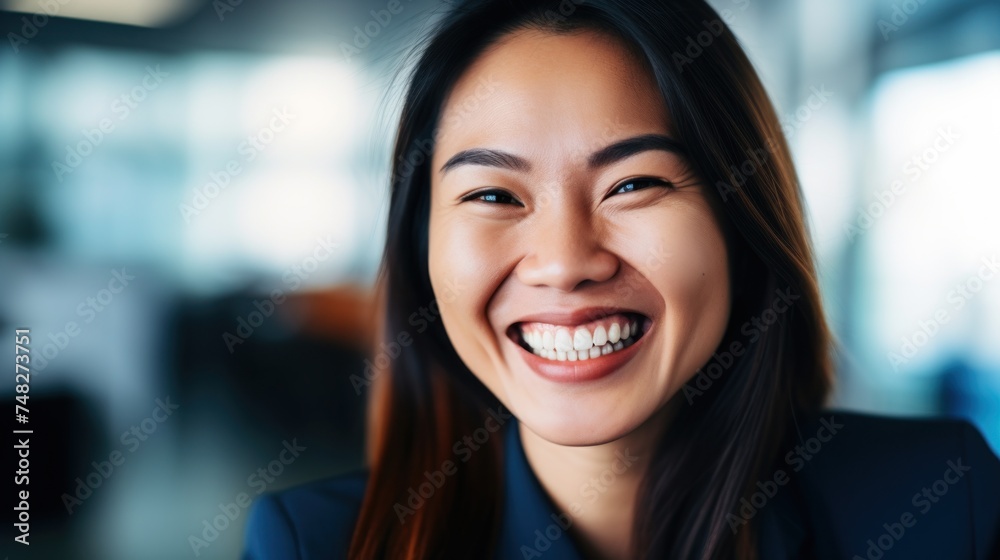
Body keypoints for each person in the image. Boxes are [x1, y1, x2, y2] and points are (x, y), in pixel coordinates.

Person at [242, 0, 1000, 558]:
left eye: (633, 185)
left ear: (741, 224)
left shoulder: (942, 500)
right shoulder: (313, 544)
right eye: (494, 196)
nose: (566, 262)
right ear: (424, 253)